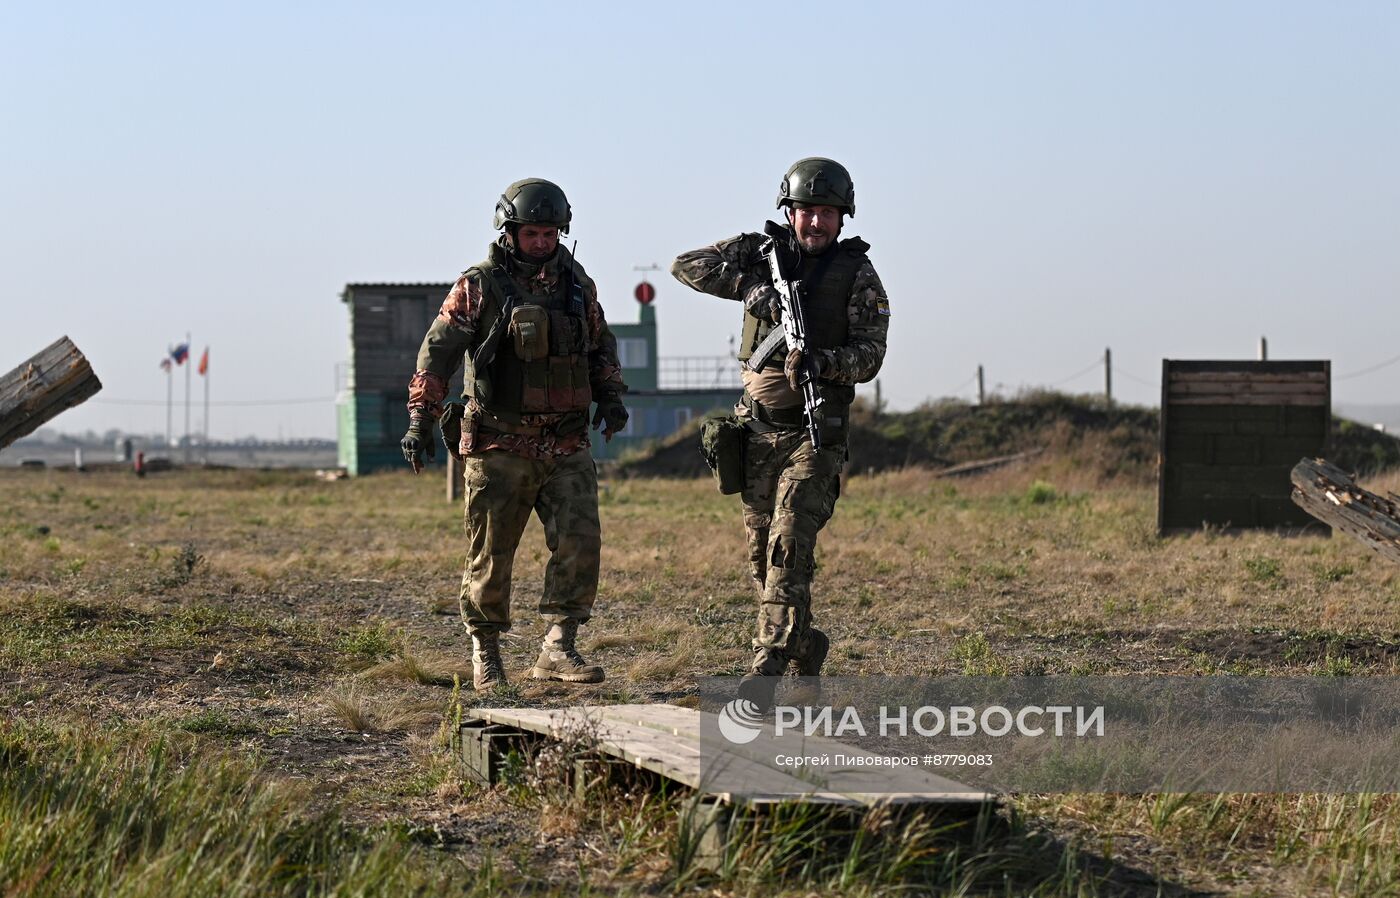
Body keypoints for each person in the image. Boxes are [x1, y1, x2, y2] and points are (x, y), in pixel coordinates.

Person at [670, 157, 890, 700]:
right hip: (756, 433)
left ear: (844, 218)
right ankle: (805, 644)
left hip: (813, 436)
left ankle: (766, 665)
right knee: (764, 559)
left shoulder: (858, 275)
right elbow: (686, 264)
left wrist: (825, 363)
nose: (816, 223)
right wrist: (749, 287)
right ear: (789, 212)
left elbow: (871, 354)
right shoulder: (758, 252)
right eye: (807, 212)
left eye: (827, 214)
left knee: (789, 541)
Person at [401, 178, 629, 690]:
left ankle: (558, 646)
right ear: (510, 231)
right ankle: (486, 650)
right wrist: (419, 418)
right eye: (532, 233)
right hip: (499, 443)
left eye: (550, 233)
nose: (543, 243)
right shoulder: (480, 285)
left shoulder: (575, 282)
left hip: (566, 444)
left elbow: (600, 342)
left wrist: (611, 396)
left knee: (580, 542)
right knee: (492, 551)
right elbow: (436, 354)